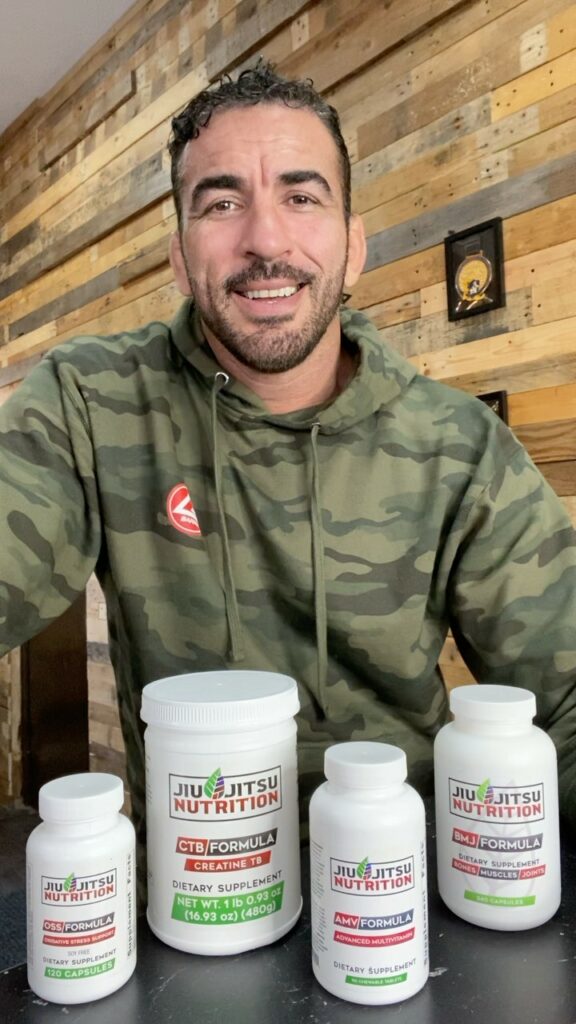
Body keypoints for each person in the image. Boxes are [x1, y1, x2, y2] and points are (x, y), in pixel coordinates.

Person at [1, 62, 576, 875]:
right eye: (222, 203)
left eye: (302, 197)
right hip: (196, 892)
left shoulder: (461, 446)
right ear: (179, 257)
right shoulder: (88, 400)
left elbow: (568, 698)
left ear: (353, 246)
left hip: (401, 890)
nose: (266, 241)